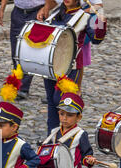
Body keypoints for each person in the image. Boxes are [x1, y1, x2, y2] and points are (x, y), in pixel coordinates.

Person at [42, 0, 106, 134]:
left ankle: (68, 135)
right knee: (51, 101)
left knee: (61, 101)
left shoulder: (84, 16)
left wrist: (101, 22)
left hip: (71, 66)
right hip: (52, 64)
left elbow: (96, 40)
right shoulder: (56, 13)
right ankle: (52, 136)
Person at [0, 0, 58, 100]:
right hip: (18, 13)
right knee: (16, 52)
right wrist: (2, 9)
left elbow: (55, 1)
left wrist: (45, 8)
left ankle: (50, 91)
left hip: (37, 12)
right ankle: (22, 87)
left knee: (40, 53)